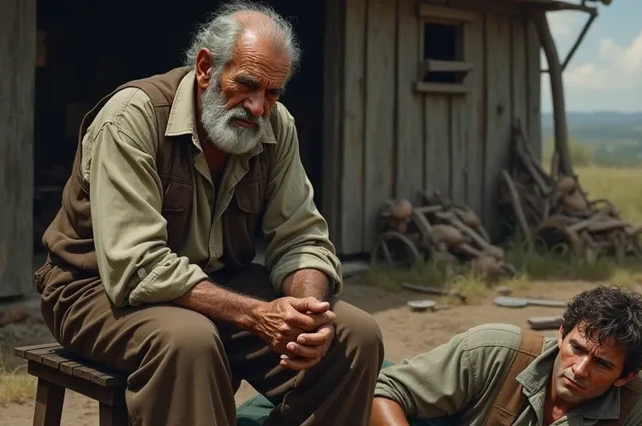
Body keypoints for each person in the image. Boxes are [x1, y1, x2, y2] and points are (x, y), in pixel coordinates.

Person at [34, 2, 384, 425]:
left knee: (352, 335)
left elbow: (301, 236)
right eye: (248, 84)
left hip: (216, 282)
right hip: (94, 289)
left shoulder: (276, 126)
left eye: (272, 92)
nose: (258, 106)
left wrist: (305, 312)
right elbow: (134, 265)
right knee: (190, 342)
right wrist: (257, 314)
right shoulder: (133, 117)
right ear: (205, 68)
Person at [370, 286, 642, 426]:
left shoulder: (640, 409)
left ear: (625, 376)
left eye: (602, 364)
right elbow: (386, 392)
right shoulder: (497, 349)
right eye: (576, 348)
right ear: (562, 334)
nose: (579, 370)